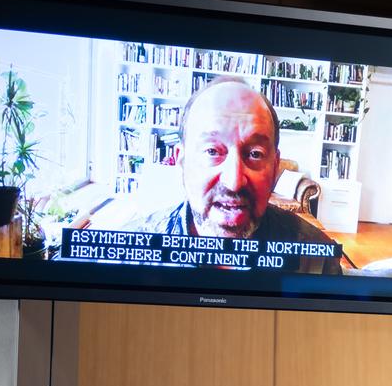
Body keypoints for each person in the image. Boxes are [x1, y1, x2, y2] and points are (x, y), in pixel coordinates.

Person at [130, 75, 341, 275]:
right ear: (182, 162)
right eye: (212, 151)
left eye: (255, 154)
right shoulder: (129, 254)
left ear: (275, 165)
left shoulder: (316, 258)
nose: (233, 181)